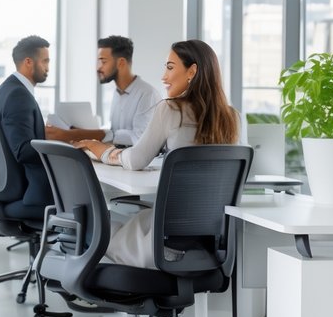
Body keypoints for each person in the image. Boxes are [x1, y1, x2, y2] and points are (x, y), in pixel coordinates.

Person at [76, 39, 239, 269]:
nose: (163, 76)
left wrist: (102, 151)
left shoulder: (171, 108)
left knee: (96, 230)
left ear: (192, 71)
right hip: (212, 244)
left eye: (170, 68)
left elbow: (135, 160)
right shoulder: (233, 118)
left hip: (165, 240)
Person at [0, 35, 57, 224]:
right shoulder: (18, 95)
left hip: (12, 188)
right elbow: (23, 151)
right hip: (29, 194)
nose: (48, 67)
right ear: (28, 62)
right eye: (45, 61)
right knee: (86, 202)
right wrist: (63, 151)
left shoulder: (6, 89)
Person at [93, 34, 161, 147]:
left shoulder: (147, 94)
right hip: (116, 159)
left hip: (140, 164)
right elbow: (115, 133)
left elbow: (139, 138)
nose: (98, 68)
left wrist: (100, 134)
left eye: (103, 62)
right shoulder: (116, 93)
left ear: (121, 63)